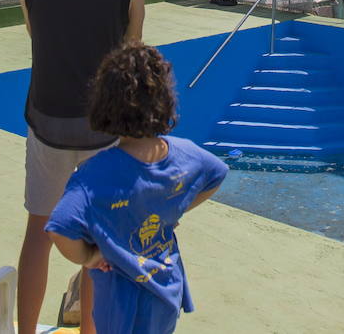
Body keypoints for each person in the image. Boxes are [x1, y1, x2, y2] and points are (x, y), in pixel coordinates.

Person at [17, 0, 147, 333]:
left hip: (47, 119)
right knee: (97, 238)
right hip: (101, 128)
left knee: (39, 230)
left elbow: (37, 33)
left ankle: (26, 331)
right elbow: (132, 56)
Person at [47, 44, 227, 334]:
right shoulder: (185, 154)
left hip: (119, 302)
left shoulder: (95, 175)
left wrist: (89, 257)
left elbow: (60, 228)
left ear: (103, 103)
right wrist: (173, 207)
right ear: (165, 99)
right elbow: (217, 174)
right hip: (166, 292)